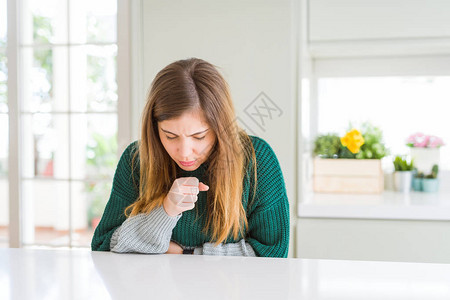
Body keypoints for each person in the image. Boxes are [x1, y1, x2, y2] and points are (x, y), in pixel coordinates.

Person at [91, 58, 290, 257]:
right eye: (170, 136)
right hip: (154, 288)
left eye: (199, 136)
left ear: (220, 128)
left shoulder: (257, 159)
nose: (185, 152)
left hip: (231, 288)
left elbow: (272, 254)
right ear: (154, 128)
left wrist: (189, 253)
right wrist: (166, 211)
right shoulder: (137, 160)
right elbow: (103, 245)